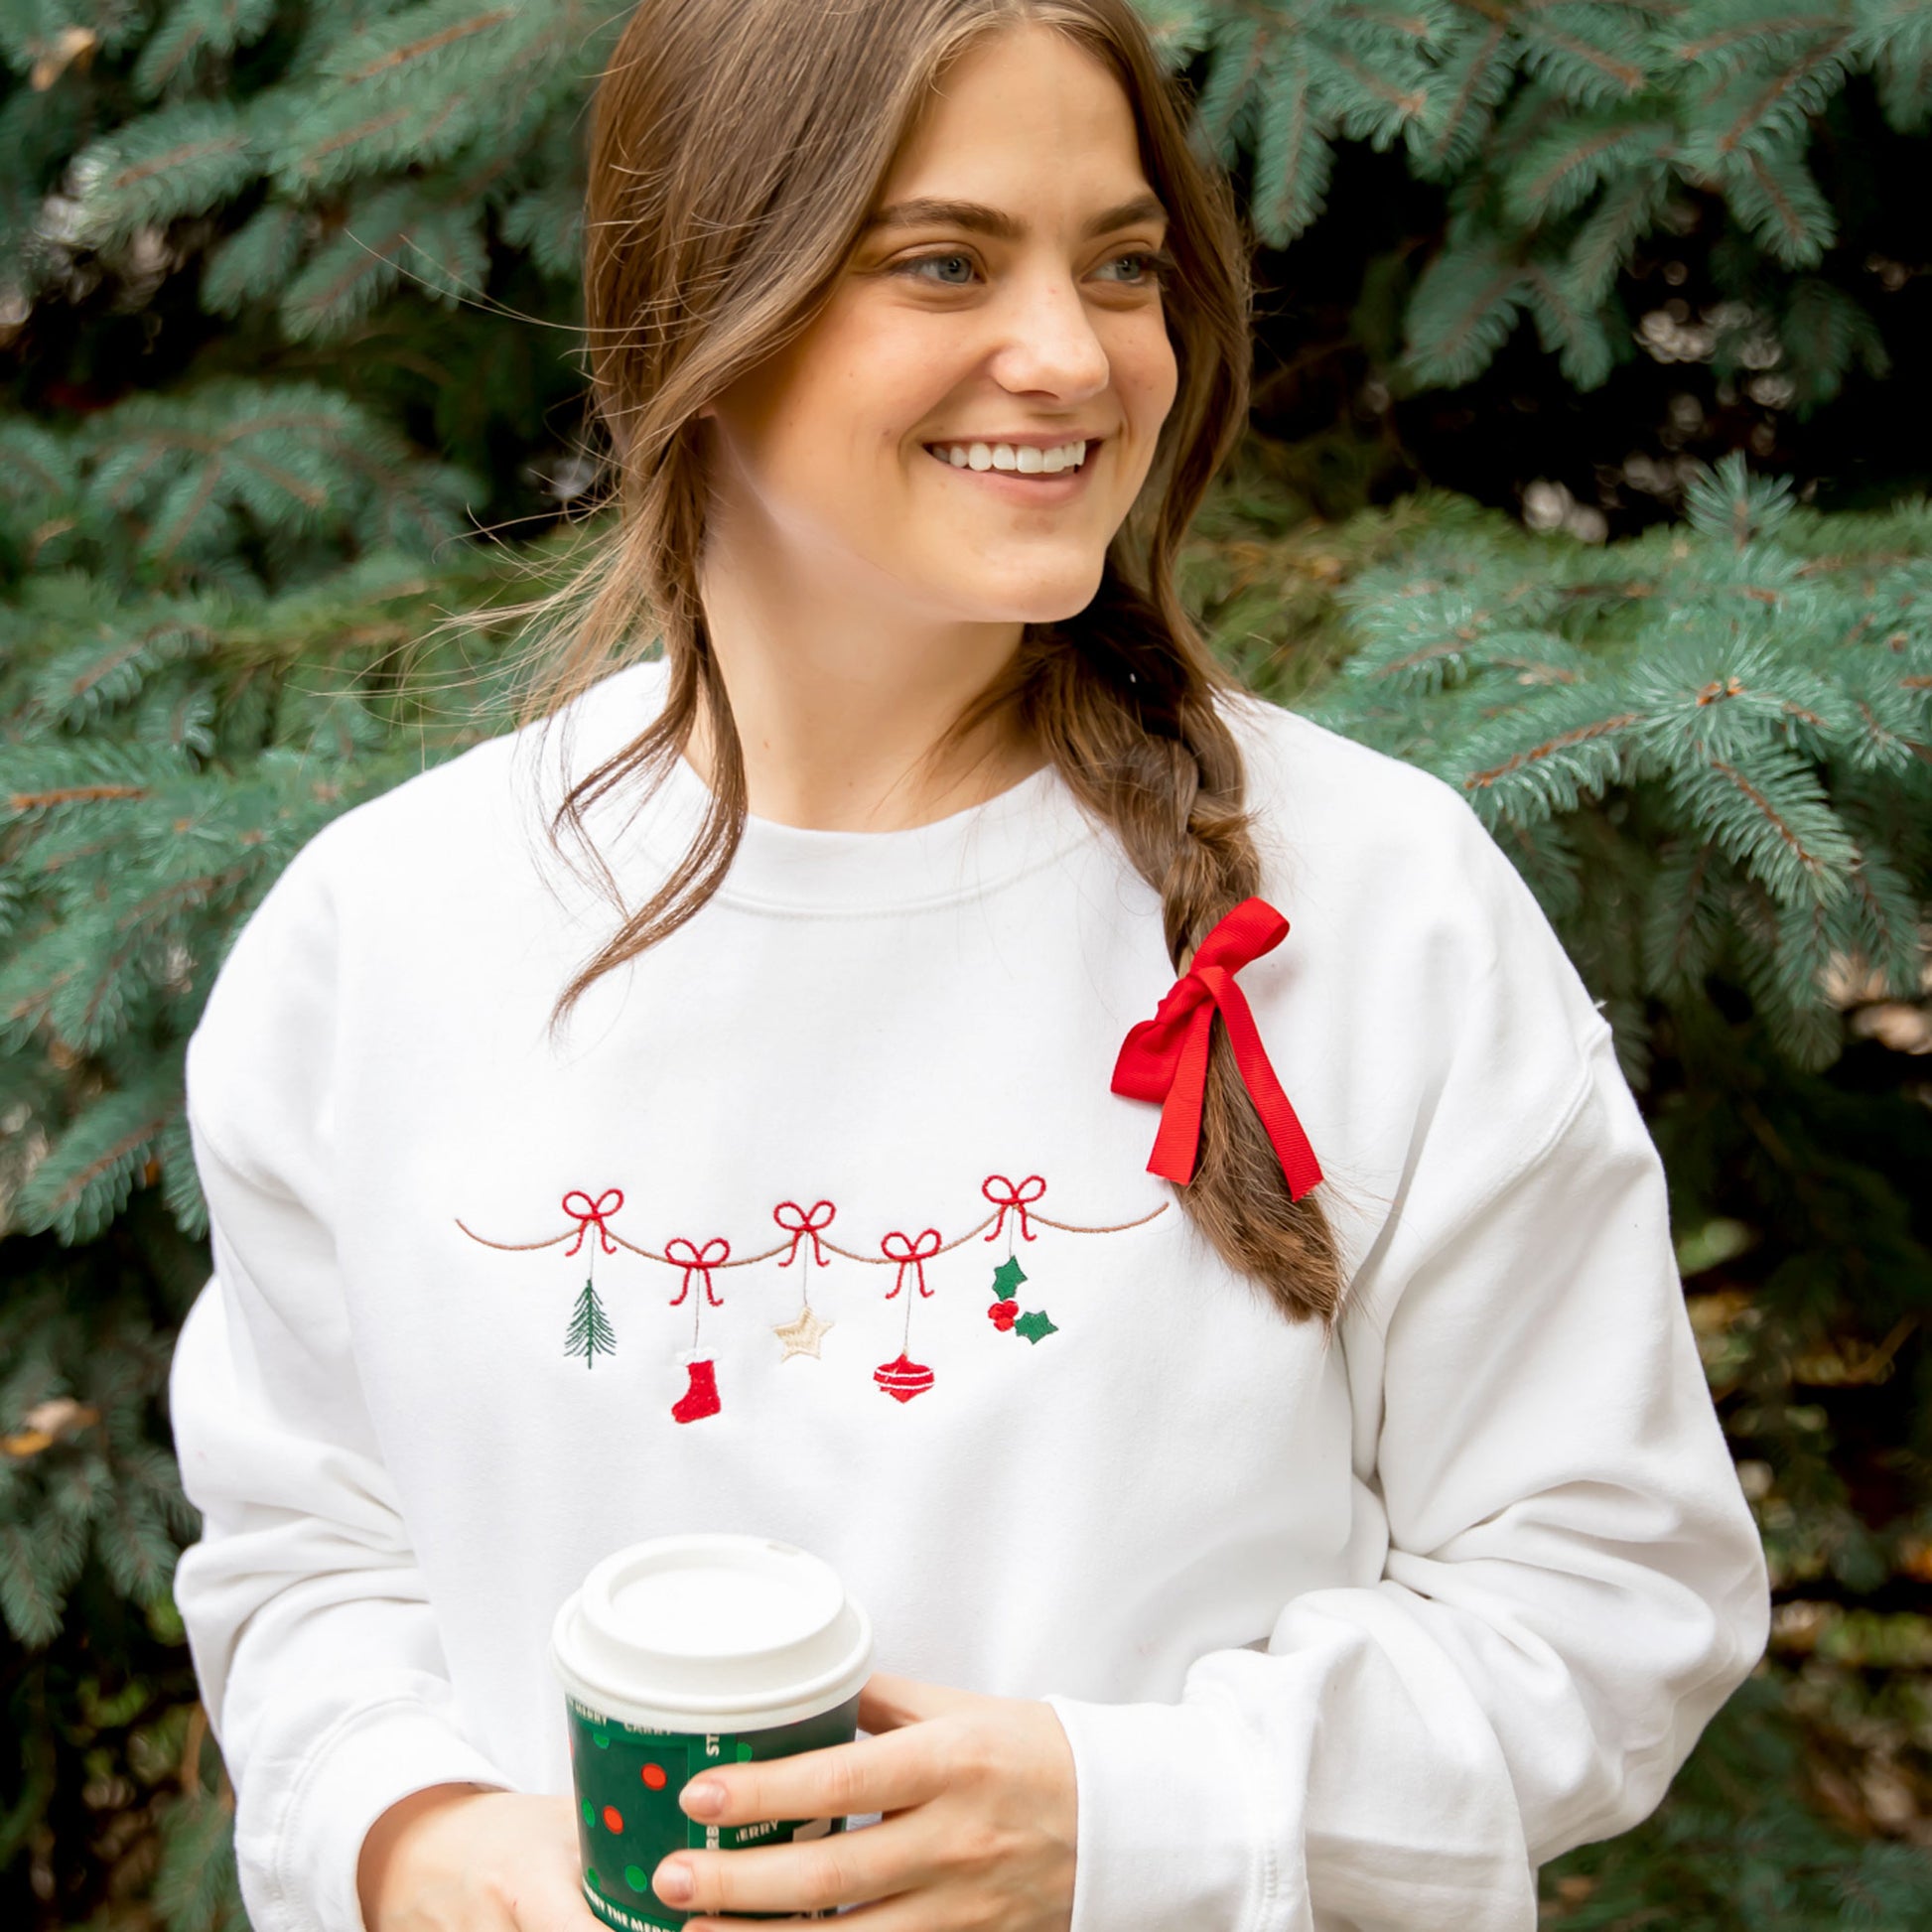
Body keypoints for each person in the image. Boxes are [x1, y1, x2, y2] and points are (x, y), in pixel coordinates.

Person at [164, 3, 1772, 1930]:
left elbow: (1613, 1597)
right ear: (704, 309)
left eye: (1120, 266)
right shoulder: (389, 935)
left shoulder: (1372, 901)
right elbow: (311, 1555)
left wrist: (1127, 1815)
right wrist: (412, 1833)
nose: (1072, 357)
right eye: (942, 261)